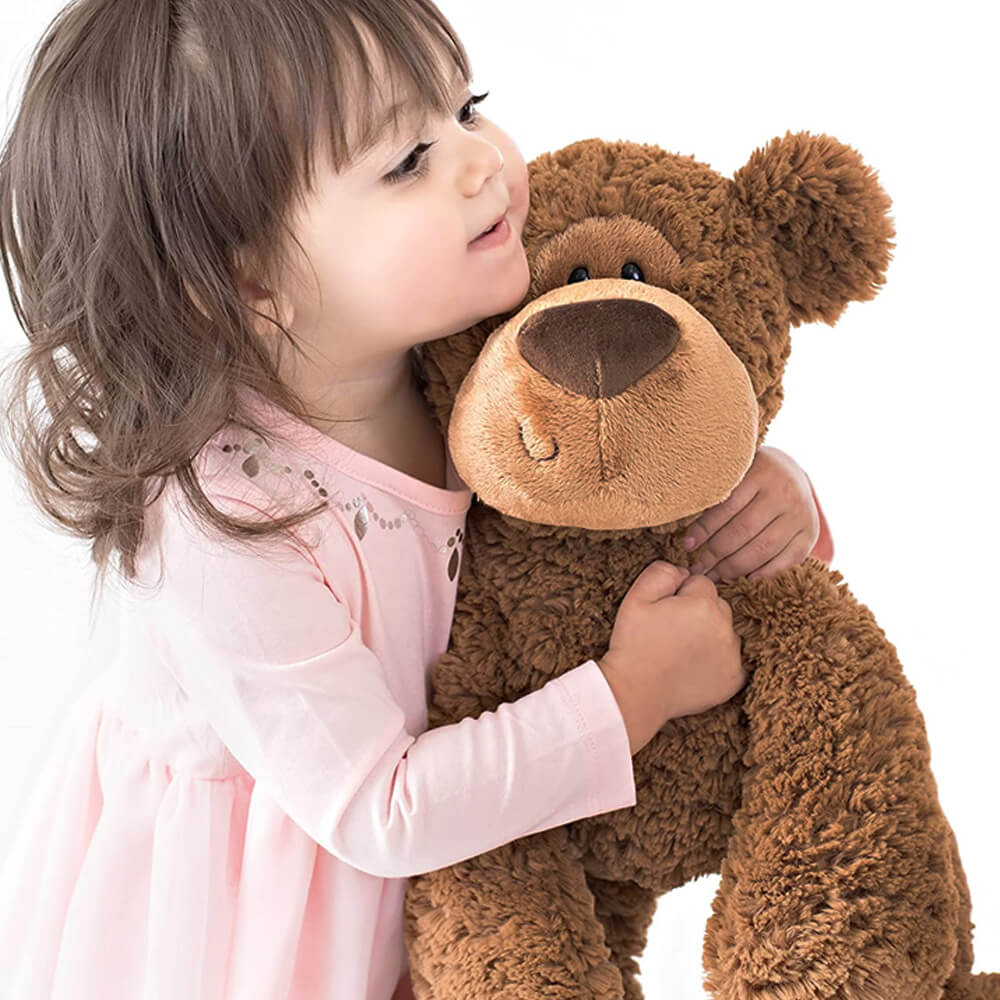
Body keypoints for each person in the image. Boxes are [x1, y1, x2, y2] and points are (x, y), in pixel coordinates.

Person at [0, 2, 833, 998]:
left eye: (466, 107)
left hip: (461, 861)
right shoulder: (225, 522)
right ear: (248, 280)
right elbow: (378, 808)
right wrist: (631, 693)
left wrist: (760, 489)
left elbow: (611, 493)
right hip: (276, 925)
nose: (481, 162)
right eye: (407, 161)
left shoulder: (467, 347)